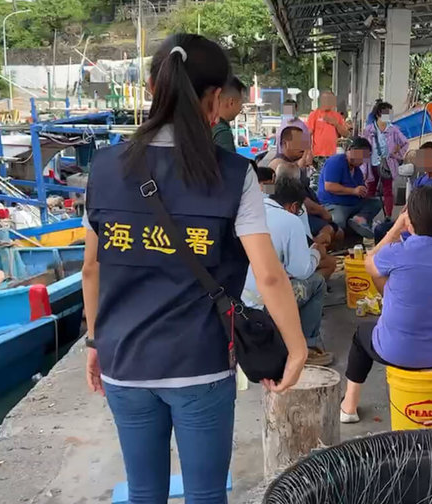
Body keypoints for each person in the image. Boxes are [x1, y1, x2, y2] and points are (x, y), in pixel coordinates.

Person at [82, 34, 307, 504]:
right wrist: (296, 347)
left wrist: (93, 341)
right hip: (200, 365)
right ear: (213, 100)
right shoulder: (232, 173)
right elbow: (268, 275)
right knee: (206, 493)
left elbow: (91, 269)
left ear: (150, 87)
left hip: (125, 361)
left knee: (144, 491)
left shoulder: (103, 169)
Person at [340, 186, 432, 423]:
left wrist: (395, 229)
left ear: (410, 219)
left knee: (361, 335)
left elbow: (369, 263)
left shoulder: (398, 252)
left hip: (398, 350)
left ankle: (349, 406)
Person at [242, 177, 335, 367]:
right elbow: (301, 271)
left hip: (239, 300)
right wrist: (316, 251)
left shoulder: (247, 211)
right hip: (263, 303)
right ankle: (307, 347)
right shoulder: (289, 221)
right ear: (294, 206)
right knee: (316, 282)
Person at [271, 126, 341, 248]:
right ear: (285, 143)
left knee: (336, 231)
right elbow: (297, 198)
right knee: (334, 232)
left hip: (305, 212)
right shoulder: (279, 165)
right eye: (299, 142)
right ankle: (311, 248)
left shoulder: (292, 164)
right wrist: (322, 211)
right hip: (295, 214)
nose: (303, 146)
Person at [317, 137, 382, 239]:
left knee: (376, 203)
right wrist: (354, 191)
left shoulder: (357, 171)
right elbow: (329, 186)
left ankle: (359, 219)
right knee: (338, 222)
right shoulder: (336, 161)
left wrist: (363, 191)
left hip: (352, 204)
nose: (364, 161)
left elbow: (359, 188)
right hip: (334, 204)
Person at [362, 100, 409, 216]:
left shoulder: (394, 130)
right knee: (370, 190)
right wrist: (362, 164)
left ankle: (388, 215)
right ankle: (367, 215)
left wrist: (397, 153)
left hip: (387, 164)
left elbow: (405, 143)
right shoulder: (368, 130)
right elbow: (362, 146)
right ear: (378, 114)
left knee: (388, 191)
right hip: (371, 164)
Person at [307, 91, 350, 160]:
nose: (327, 101)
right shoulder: (314, 114)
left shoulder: (337, 116)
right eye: (325, 99)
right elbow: (308, 134)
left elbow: (346, 134)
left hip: (332, 155)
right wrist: (308, 152)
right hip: (318, 154)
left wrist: (336, 124)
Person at [211, 76, 246, 152]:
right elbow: (229, 164)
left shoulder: (203, 125)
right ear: (231, 102)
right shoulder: (222, 134)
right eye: (241, 103)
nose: (241, 109)